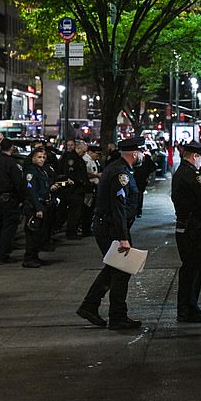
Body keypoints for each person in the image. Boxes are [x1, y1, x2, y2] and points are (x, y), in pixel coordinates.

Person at [76, 137, 145, 330]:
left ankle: (90, 306)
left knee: (114, 268)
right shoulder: (120, 173)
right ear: (134, 153)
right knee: (121, 271)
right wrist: (123, 237)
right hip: (111, 228)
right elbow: (118, 207)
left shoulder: (120, 168)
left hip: (110, 226)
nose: (143, 156)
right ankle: (117, 316)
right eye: (141, 152)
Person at [171, 141, 201, 322]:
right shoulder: (192, 175)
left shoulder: (182, 173)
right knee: (193, 269)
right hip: (194, 228)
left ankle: (189, 306)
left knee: (191, 268)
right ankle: (187, 308)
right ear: (194, 156)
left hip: (187, 226)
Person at [0, 138, 26, 264]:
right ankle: (3, 254)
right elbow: (18, 183)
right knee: (8, 228)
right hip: (9, 200)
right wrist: (22, 199)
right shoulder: (12, 163)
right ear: (12, 148)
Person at [22, 148, 59, 268]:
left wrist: (51, 188)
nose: (41, 159)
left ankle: (34, 257)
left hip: (43, 204)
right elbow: (31, 192)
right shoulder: (31, 172)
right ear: (33, 158)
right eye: (39, 157)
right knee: (32, 234)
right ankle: (29, 258)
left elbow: (42, 188)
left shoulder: (42, 171)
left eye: (43, 157)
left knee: (39, 234)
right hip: (34, 207)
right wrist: (38, 208)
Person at [56, 140, 88, 239]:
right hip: (74, 190)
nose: (84, 153)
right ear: (78, 149)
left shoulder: (77, 158)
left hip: (76, 189)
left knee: (75, 212)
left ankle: (71, 231)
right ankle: (71, 232)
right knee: (74, 212)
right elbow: (71, 175)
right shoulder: (72, 159)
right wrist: (80, 182)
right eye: (83, 151)